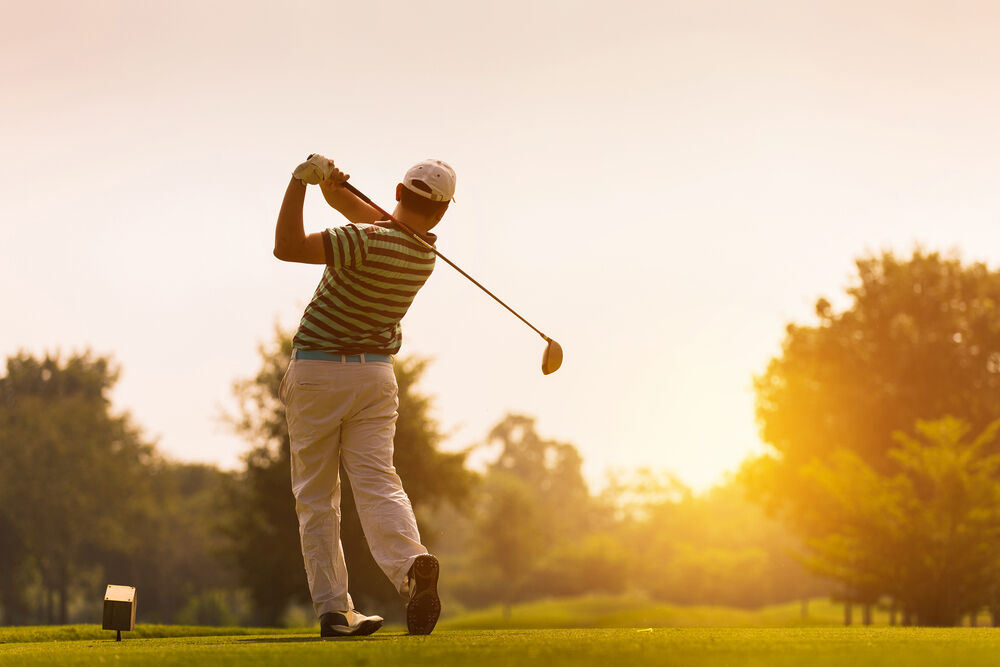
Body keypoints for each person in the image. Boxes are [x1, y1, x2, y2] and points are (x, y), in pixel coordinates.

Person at [272, 153, 456, 637]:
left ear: (397, 191)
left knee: (316, 497)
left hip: (317, 372)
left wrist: (299, 183)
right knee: (378, 481)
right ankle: (411, 564)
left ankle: (334, 610)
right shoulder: (422, 253)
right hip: (375, 377)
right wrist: (332, 188)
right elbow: (371, 219)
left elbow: (286, 247)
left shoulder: (362, 241)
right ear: (442, 214)